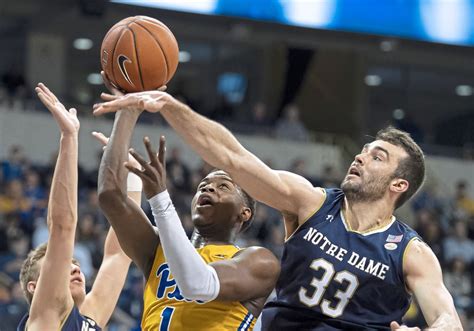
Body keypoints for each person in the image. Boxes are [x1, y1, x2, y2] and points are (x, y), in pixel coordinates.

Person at [93, 90, 463, 330]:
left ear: (399, 185)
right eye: (364, 150)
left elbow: (447, 317)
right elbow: (234, 159)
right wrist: (172, 107)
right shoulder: (311, 202)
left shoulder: (411, 251)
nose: (360, 156)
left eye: (377, 157)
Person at [95, 75, 280, 330]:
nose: (208, 187)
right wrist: (127, 111)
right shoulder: (157, 247)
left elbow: (197, 284)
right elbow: (110, 197)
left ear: (244, 213)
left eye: (223, 186)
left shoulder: (260, 261)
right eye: (203, 185)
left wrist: (159, 197)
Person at [17, 84, 136, 330]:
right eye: (63, 266)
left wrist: (133, 178)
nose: (73, 268)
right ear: (35, 286)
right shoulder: (44, 318)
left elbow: (121, 252)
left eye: (75, 264)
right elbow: (62, 228)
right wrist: (69, 138)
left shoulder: (90, 318)